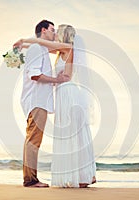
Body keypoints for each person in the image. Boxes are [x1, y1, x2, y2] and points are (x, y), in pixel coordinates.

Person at [14, 24, 96, 188]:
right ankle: (81, 176)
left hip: (67, 93)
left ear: (64, 35)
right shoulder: (60, 51)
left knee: (72, 134)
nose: (55, 33)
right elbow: (42, 45)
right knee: (70, 134)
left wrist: (24, 40)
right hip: (62, 93)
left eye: (57, 31)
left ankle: (83, 175)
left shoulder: (67, 47)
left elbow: (44, 43)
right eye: (53, 30)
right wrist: (25, 45)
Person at [17, 20, 70, 188]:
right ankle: (30, 180)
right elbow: (35, 75)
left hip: (40, 101)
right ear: (43, 30)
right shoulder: (36, 49)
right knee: (33, 141)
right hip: (36, 101)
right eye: (52, 30)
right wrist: (56, 80)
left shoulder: (41, 49)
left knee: (33, 140)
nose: (55, 34)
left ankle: (30, 179)